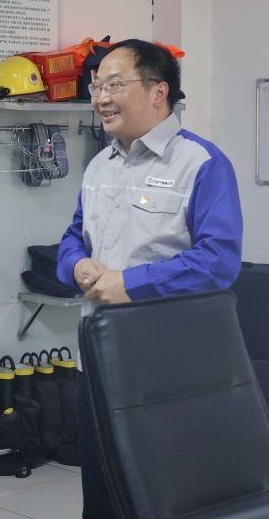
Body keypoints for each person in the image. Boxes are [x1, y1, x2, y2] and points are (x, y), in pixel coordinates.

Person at [56, 38, 243, 519]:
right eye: (97, 86)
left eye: (115, 85)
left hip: (169, 367)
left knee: (167, 495)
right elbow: (74, 236)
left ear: (159, 92)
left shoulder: (201, 163)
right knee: (102, 494)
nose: (101, 98)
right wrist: (75, 264)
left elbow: (218, 261)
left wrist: (131, 284)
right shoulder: (100, 165)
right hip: (98, 359)